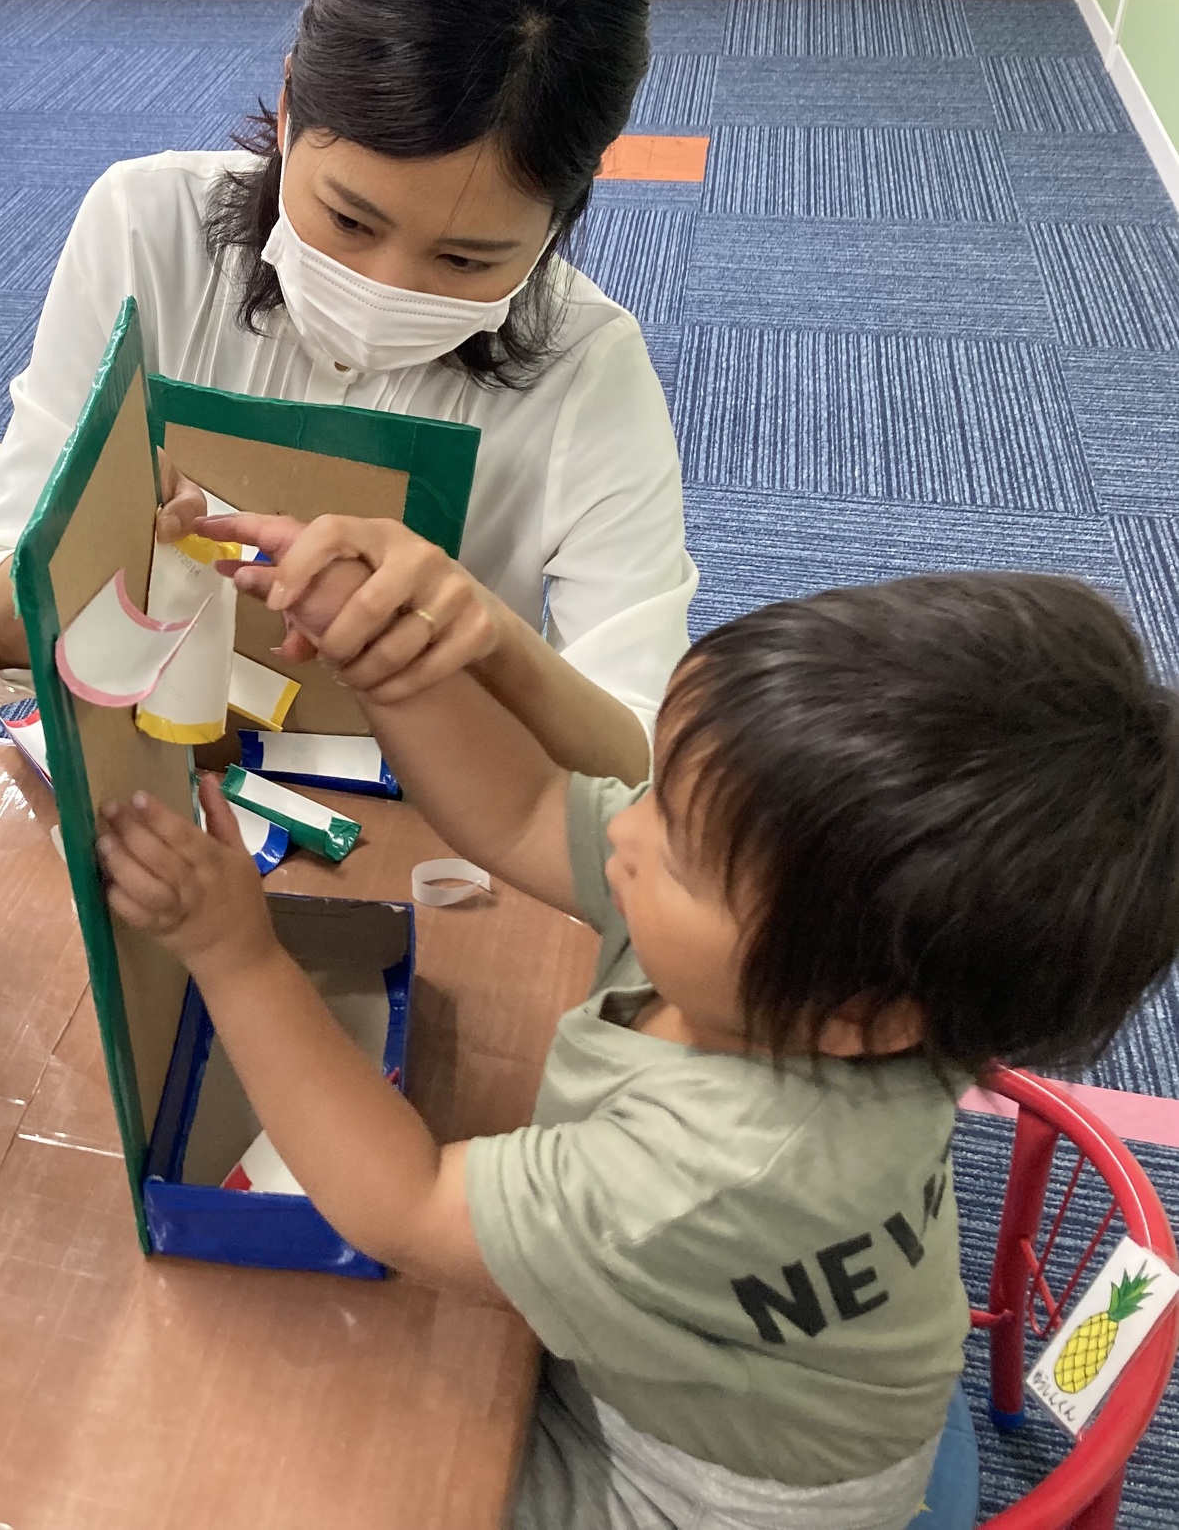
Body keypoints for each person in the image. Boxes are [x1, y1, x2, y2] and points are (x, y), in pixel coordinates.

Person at [97, 551, 1179, 1530]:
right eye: (664, 792)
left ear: (857, 1017)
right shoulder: (815, 973)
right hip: (754, 1379)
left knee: (300, 1463)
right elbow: (526, 804)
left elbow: (407, 1204)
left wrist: (238, 958)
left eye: (681, 851)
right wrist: (379, 664)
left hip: (701, 1496)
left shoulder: (712, 1167)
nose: (624, 824)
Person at [0, 0, 694, 762]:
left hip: (429, 802)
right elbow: (13, 568)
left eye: (465, 259)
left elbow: (640, 757)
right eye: (350, 221)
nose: (386, 289)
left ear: (562, 218)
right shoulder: (146, 229)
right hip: (129, 757)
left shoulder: (588, 367)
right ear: (291, 105)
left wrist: (499, 646)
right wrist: (92, 551)